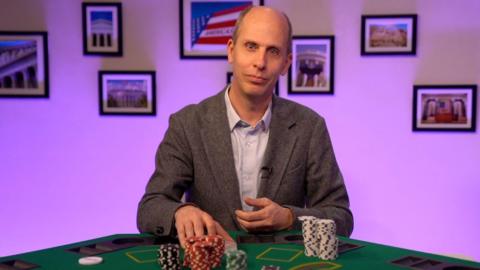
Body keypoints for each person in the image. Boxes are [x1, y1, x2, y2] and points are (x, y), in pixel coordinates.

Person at [137, 6, 353, 248]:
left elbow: (341, 216)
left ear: (286, 63)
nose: (260, 62)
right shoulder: (187, 124)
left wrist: (290, 218)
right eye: (251, 47)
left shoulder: (309, 127)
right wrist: (180, 212)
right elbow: (150, 207)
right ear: (231, 51)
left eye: (272, 51)